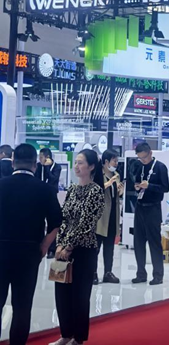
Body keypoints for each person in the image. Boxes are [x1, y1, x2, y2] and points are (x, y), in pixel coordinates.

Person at [0, 143, 62, 345]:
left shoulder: (1, 185)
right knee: (22, 306)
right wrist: (44, 246)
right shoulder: (45, 189)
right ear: (35, 165)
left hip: (1, 250)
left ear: (13, 162)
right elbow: (56, 222)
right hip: (29, 252)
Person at [50, 149, 105, 345]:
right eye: (76, 162)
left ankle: (78, 338)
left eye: (81, 163)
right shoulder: (72, 189)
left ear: (91, 166)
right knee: (62, 293)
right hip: (63, 249)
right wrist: (59, 244)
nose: (77, 166)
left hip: (83, 250)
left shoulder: (96, 191)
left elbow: (86, 222)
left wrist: (69, 246)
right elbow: (64, 218)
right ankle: (65, 334)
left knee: (80, 296)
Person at [132, 142, 169, 286]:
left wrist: (150, 186)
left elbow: (165, 188)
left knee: (154, 242)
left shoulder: (160, 167)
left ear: (150, 153)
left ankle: (158, 275)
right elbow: (136, 181)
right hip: (140, 207)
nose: (143, 160)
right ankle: (141, 274)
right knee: (138, 242)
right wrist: (137, 187)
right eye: (140, 158)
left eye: (144, 157)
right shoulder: (139, 166)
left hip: (153, 208)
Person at [95, 149, 124, 285]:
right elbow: (95, 191)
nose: (116, 163)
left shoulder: (116, 175)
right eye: (114, 161)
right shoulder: (97, 174)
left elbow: (116, 195)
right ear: (106, 161)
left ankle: (108, 272)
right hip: (101, 216)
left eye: (117, 161)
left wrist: (120, 191)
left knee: (109, 247)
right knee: (96, 246)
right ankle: (92, 273)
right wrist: (107, 184)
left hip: (113, 214)